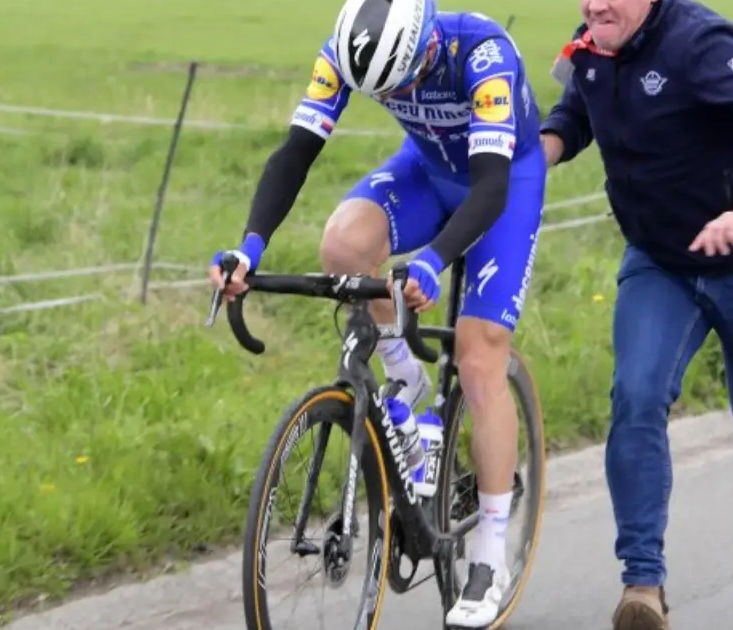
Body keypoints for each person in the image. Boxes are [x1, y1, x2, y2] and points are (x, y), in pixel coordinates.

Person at [206, 0, 546, 625]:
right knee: (343, 245)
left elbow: (492, 186)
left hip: (503, 184)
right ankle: (406, 381)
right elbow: (296, 151)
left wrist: (433, 261)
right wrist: (249, 248)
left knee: (478, 358)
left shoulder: (483, 54)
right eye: (382, 93)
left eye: (402, 83)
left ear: (426, 47)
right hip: (426, 171)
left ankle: (490, 555)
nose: (396, 97)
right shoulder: (344, 51)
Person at [538, 0, 733, 628]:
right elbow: (581, 105)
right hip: (661, 262)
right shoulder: (594, 41)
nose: (595, 5)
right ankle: (642, 584)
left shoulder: (696, 42)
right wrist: (547, 145)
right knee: (636, 395)